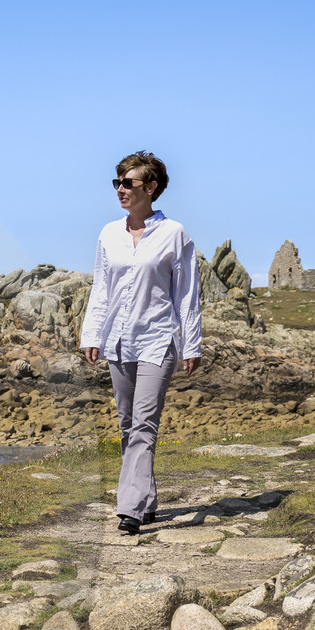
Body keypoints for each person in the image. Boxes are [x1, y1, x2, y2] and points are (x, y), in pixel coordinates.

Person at [78, 150, 201, 536]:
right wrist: (92, 335)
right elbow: (101, 288)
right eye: (117, 182)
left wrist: (191, 344)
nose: (120, 189)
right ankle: (145, 502)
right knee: (128, 425)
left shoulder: (175, 233)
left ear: (151, 187)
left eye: (128, 183)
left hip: (157, 340)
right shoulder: (108, 233)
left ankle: (129, 508)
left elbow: (186, 294)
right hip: (118, 342)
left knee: (145, 424)